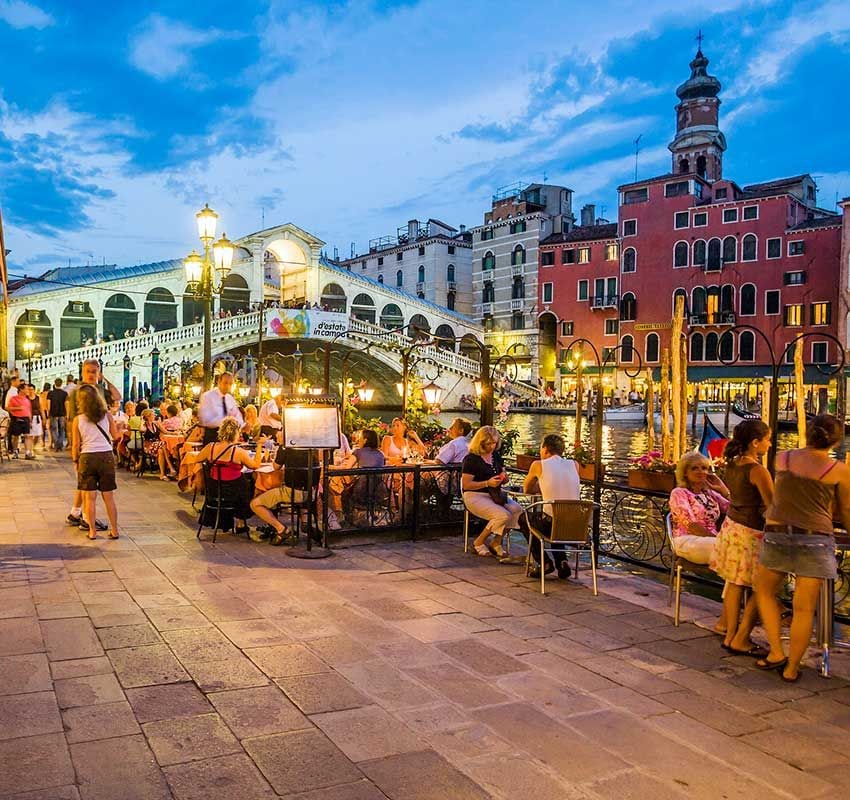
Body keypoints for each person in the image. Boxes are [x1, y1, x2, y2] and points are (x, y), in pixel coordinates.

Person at [754, 415, 850, 681]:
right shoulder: (840, 470)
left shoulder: (782, 458)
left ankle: (776, 650)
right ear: (836, 440)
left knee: (763, 591)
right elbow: (847, 508)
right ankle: (792, 668)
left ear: (808, 433)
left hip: (777, 533)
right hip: (815, 538)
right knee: (804, 608)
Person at [710, 420, 773, 657]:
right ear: (755, 443)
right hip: (751, 531)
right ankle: (741, 637)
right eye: (767, 439)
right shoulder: (757, 470)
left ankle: (730, 635)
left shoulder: (732, 464)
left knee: (735, 583)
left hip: (732, 527)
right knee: (763, 585)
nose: (769, 443)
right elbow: (772, 505)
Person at [184, 417, 266, 535]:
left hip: (214, 490)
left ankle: (228, 521)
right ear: (236, 433)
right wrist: (259, 446)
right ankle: (241, 522)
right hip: (233, 493)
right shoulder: (238, 452)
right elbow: (255, 465)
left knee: (242, 483)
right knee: (247, 484)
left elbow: (198, 459)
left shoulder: (210, 447)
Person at [522, 433, 581, 580]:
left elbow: (526, 489)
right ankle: (562, 562)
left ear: (545, 449)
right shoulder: (574, 464)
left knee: (524, 519)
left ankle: (544, 562)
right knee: (558, 517)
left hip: (552, 523)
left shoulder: (538, 465)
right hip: (575, 525)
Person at [461, 425, 521, 559]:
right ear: (480, 443)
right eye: (489, 443)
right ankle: (478, 542)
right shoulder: (471, 459)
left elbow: (504, 477)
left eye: (495, 442)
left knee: (517, 510)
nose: (492, 446)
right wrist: (487, 483)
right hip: (474, 495)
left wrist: (504, 478)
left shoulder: (495, 456)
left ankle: (496, 542)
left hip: (494, 494)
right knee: (503, 515)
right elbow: (466, 484)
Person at [71, 385, 119, 540]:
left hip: (87, 458)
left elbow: (75, 445)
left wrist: (75, 461)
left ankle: (92, 531)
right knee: (109, 497)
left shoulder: (78, 419)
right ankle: (114, 530)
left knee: (89, 498)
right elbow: (116, 436)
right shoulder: (107, 415)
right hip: (106, 456)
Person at [668, 451, 730, 563]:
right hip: (687, 539)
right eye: (694, 468)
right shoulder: (679, 493)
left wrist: (723, 490)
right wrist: (717, 539)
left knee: (743, 547)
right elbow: (692, 526)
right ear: (685, 472)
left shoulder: (709, 493)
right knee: (731, 550)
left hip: (711, 540)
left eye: (704, 468)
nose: (701, 471)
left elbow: (735, 510)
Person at [198, 372, 243, 444]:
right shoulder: (208, 396)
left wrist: (241, 425)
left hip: (228, 438)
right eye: (225, 383)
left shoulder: (230, 399)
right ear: (219, 382)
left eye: (230, 384)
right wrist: (226, 422)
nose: (228, 386)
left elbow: (237, 416)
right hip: (213, 436)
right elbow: (206, 419)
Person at [6, 381, 32, 458]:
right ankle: (15, 451)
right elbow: (7, 408)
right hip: (17, 419)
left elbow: (29, 410)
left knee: (27, 435)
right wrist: (18, 408)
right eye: (26, 389)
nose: (28, 391)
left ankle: (27, 452)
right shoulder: (13, 399)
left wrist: (30, 420)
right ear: (21, 389)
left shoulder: (27, 400)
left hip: (26, 419)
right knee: (16, 436)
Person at [47, 378, 68, 451]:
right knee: (62, 429)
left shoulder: (50, 393)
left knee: (54, 429)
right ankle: (60, 444)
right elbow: (66, 404)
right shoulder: (64, 393)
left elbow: (48, 404)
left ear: (54, 383)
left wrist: (48, 413)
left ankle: (56, 444)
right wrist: (67, 414)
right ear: (61, 383)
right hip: (62, 413)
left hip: (53, 413)